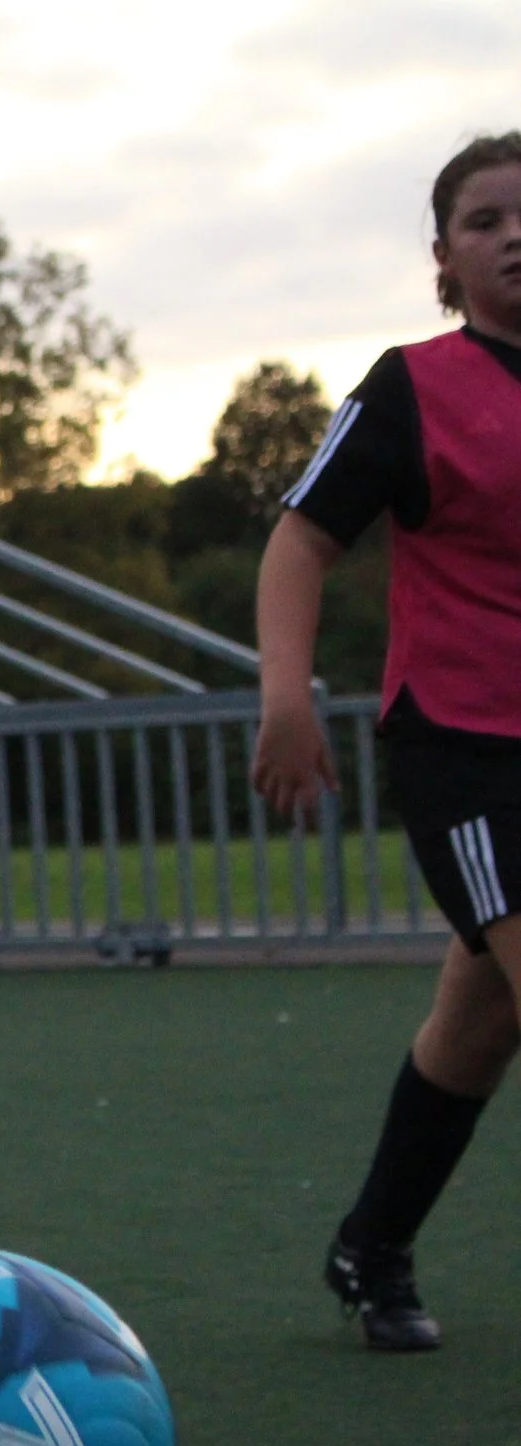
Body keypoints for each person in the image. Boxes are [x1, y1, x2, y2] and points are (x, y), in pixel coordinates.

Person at [253, 131, 521, 1353]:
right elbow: (300, 540)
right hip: (467, 749)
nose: (513, 237)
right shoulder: (413, 386)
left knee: (480, 1016)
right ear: (443, 261)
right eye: (485, 221)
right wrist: (286, 698)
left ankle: (371, 1244)